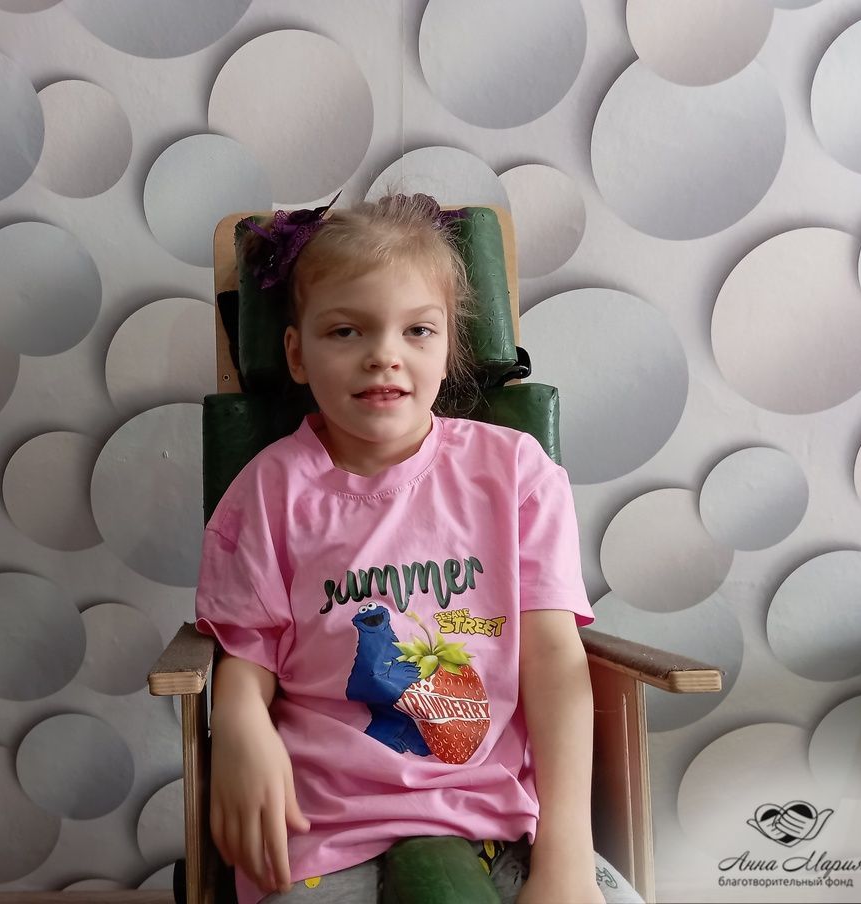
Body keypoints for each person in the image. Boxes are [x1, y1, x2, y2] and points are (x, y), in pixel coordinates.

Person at [194, 193, 641, 904]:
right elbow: (247, 656)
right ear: (297, 354)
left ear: (448, 346)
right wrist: (241, 732)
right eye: (346, 330)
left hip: (496, 821)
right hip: (322, 829)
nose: (384, 356)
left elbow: (554, 659)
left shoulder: (514, 474)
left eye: (418, 330)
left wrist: (565, 854)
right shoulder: (270, 491)